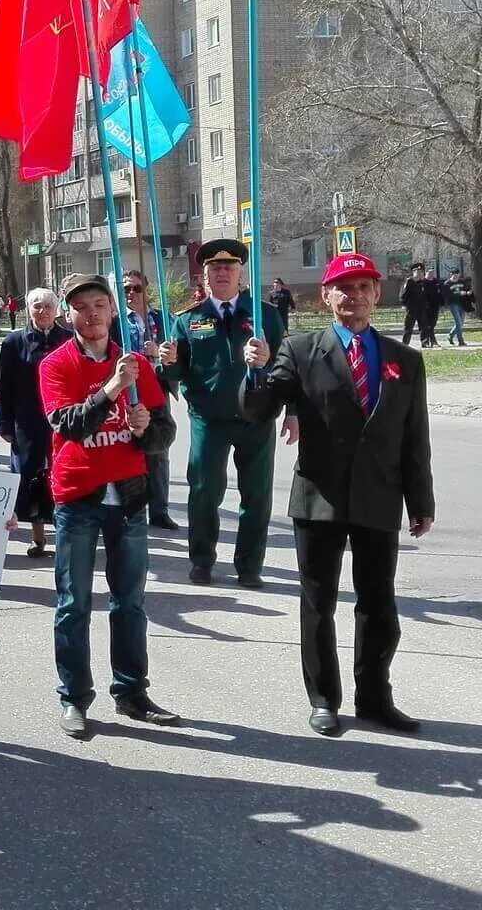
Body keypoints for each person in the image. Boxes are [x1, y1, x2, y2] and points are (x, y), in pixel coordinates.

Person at [241, 253, 434, 736]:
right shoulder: (301, 349)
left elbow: (415, 437)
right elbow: (260, 410)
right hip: (320, 496)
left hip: (379, 497)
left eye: (364, 286)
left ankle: (375, 698)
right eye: (343, 287)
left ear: (376, 293)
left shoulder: (404, 360)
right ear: (326, 296)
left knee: (378, 605)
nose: (354, 296)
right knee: (318, 602)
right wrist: (256, 372)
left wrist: (421, 501)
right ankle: (324, 697)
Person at [41, 274, 178, 738]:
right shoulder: (56, 364)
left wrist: (145, 429)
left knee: (130, 603)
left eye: (100, 304)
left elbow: (164, 433)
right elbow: (70, 425)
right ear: (69, 314)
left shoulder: (137, 362)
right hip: (78, 497)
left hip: (129, 499)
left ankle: (132, 691)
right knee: (73, 604)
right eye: (82, 307)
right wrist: (112, 389)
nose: (92, 314)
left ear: (113, 311)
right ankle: (75, 698)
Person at [157, 240, 295, 589]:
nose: (222, 273)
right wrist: (167, 363)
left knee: (256, 495)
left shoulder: (264, 314)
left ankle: (249, 566)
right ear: (204, 275)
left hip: (257, 416)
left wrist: (292, 409)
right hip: (209, 418)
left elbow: (288, 365)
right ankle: (201, 560)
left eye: (229, 267)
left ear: (239, 272)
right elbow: (176, 374)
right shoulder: (188, 320)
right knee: (203, 490)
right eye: (214, 268)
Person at [0, 288, 72, 557]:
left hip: (62, 420)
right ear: (28, 309)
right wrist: (3, 423)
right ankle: (38, 538)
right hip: (27, 422)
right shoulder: (13, 342)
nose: (43, 311)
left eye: (48, 306)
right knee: (31, 478)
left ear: (56, 309)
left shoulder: (69, 339)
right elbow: (3, 387)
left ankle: (66, 534)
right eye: (37, 306)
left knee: (62, 476)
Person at [120, 270, 179, 531]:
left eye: (136, 289)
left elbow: (179, 353)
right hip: (128, 391)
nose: (131, 294)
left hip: (158, 390)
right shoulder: (117, 321)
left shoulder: (164, 318)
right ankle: (130, 509)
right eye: (126, 290)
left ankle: (159, 510)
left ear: (146, 290)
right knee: (126, 450)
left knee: (158, 450)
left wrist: (161, 353)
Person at [399, 264, 433, 347]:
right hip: (412, 308)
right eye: (417, 271)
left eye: (421, 272)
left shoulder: (424, 282)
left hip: (422, 308)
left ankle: (424, 342)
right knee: (408, 327)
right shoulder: (409, 281)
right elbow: (403, 294)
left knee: (423, 326)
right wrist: (404, 304)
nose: (419, 273)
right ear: (413, 272)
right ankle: (405, 343)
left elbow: (428, 295)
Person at [442, 270, 470, 347]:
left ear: (459, 274)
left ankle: (450, 336)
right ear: (451, 274)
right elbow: (447, 295)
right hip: (453, 304)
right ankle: (460, 341)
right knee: (458, 322)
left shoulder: (462, 282)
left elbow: (467, 289)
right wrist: (459, 293)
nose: (455, 276)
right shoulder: (447, 283)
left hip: (462, 304)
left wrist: (468, 292)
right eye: (453, 274)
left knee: (461, 323)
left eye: (457, 274)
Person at [422, 270, 441, 348]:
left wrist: (441, 304)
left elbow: (440, 294)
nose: (431, 275)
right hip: (425, 307)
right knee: (427, 325)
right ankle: (430, 341)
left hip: (435, 307)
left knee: (432, 325)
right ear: (425, 274)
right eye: (429, 273)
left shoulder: (436, 282)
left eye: (432, 273)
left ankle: (431, 341)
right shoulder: (423, 282)